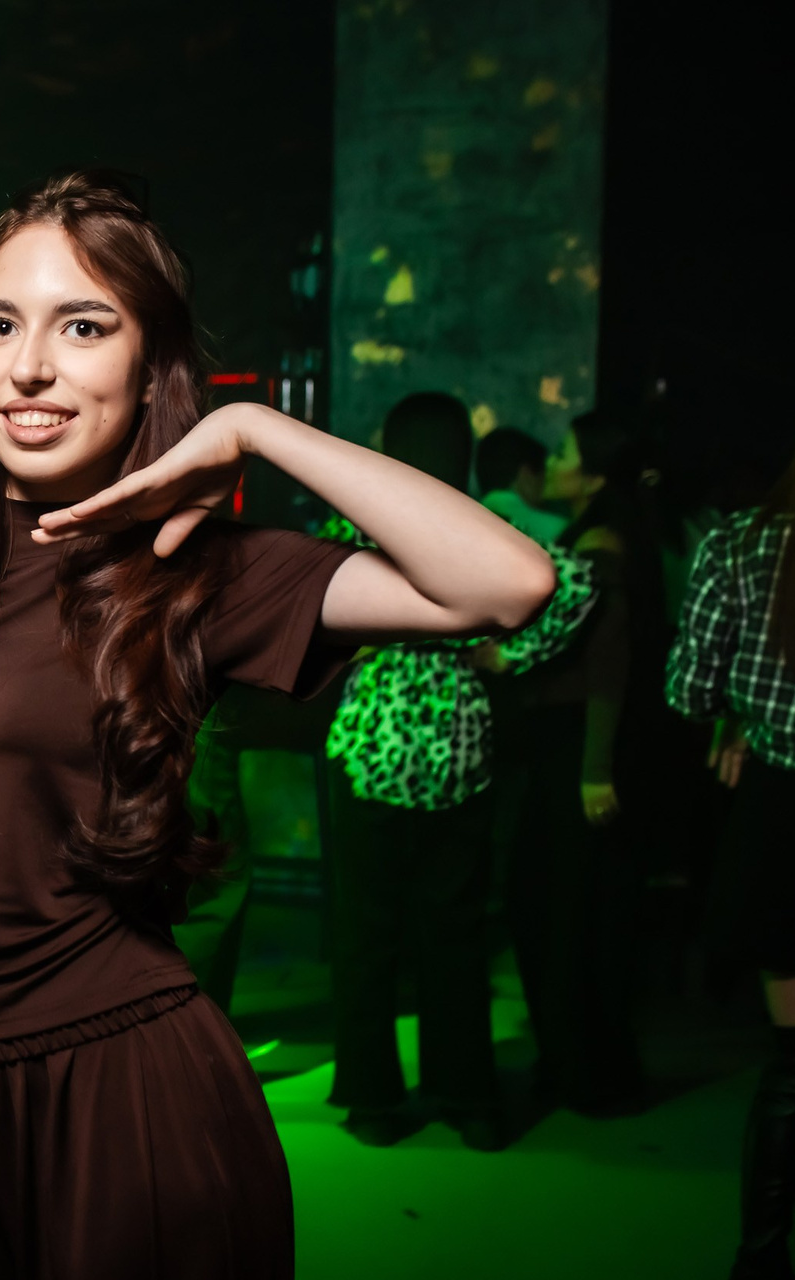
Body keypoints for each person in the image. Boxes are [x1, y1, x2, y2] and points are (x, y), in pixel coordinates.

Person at [0, 172, 554, 1280]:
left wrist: (253, 429)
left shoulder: (193, 571)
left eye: (84, 327)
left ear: (149, 370)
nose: (29, 367)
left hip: (124, 1086)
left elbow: (508, 584)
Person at [320, 393, 506, 1152]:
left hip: (371, 745)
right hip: (460, 749)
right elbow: (540, 617)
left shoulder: (354, 525)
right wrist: (484, 649)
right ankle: (468, 1094)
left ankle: (372, 1097)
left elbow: (321, 627)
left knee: (366, 930)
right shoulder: (483, 526)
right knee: (455, 930)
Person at [667, 380, 795, 1280]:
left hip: (789, 816)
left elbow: (690, 690)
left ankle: (763, 1257)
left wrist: (743, 719)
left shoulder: (740, 543)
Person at [500, 410, 660, 1117]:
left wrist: (595, 767)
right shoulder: (607, 535)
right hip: (576, 744)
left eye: (565, 451)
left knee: (563, 911)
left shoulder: (600, 545)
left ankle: (581, 1071)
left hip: (575, 748)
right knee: (576, 909)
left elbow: (608, 667)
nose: (553, 460)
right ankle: (585, 1066)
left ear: (593, 472)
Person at [476, 425, 569, 546]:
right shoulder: (500, 504)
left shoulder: (472, 513)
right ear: (527, 474)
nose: (545, 493)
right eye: (544, 478)